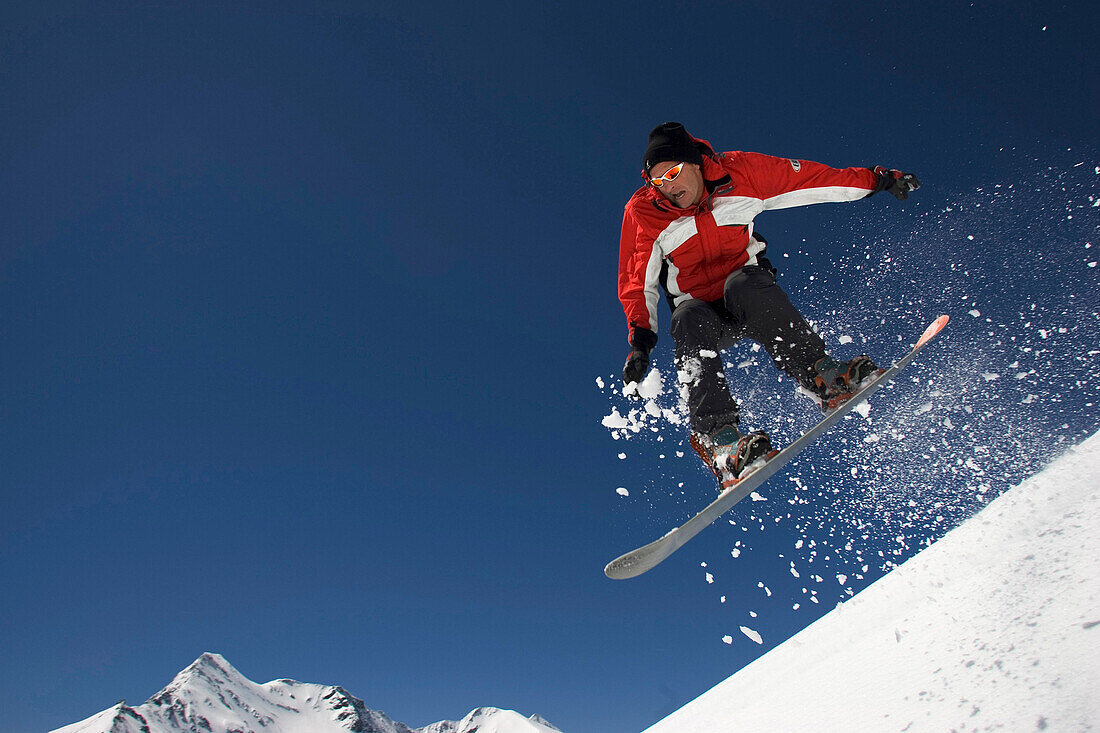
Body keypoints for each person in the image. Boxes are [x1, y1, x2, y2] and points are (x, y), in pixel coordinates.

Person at [618, 122, 919, 487]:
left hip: (747, 294)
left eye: (674, 173)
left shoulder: (742, 173)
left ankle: (821, 374)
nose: (668, 187)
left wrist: (879, 180)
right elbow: (637, 279)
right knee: (686, 316)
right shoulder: (645, 212)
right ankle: (721, 442)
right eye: (658, 182)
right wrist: (640, 342)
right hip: (701, 312)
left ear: (696, 163)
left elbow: (812, 179)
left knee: (745, 283)